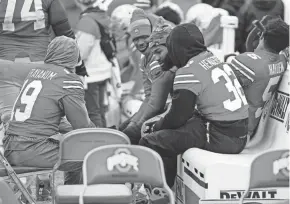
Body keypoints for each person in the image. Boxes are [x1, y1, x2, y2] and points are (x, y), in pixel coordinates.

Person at [140, 23, 249, 187]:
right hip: (238, 134)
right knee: (171, 134)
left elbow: (178, 117)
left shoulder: (188, 71)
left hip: (220, 136)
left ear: (177, 48)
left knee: (150, 142)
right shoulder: (211, 57)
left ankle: (161, 196)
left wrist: (156, 127)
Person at [3, 36, 95, 184]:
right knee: (90, 153)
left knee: (74, 145)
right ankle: (72, 196)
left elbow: (43, 118)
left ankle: (69, 195)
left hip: (10, 147)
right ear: (74, 56)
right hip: (33, 149)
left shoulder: (35, 73)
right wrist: (99, 133)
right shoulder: (67, 79)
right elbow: (82, 127)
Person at [0, 0, 87, 125]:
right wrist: (80, 67)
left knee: (11, 119)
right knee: (51, 118)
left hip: (6, 65)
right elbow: (65, 34)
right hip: (41, 64)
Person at [120, 9, 176, 145]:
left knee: (130, 136)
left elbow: (156, 103)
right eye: (135, 39)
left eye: (144, 37)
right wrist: (132, 123)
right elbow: (148, 96)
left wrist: (135, 127)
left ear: (151, 36)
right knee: (123, 130)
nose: (139, 43)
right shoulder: (144, 60)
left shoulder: (159, 59)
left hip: (170, 110)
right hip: (163, 109)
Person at [231, 16, 289, 138]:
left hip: (232, 131)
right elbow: (283, 51)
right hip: (249, 130)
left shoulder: (246, 61)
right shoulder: (282, 61)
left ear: (262, 36)